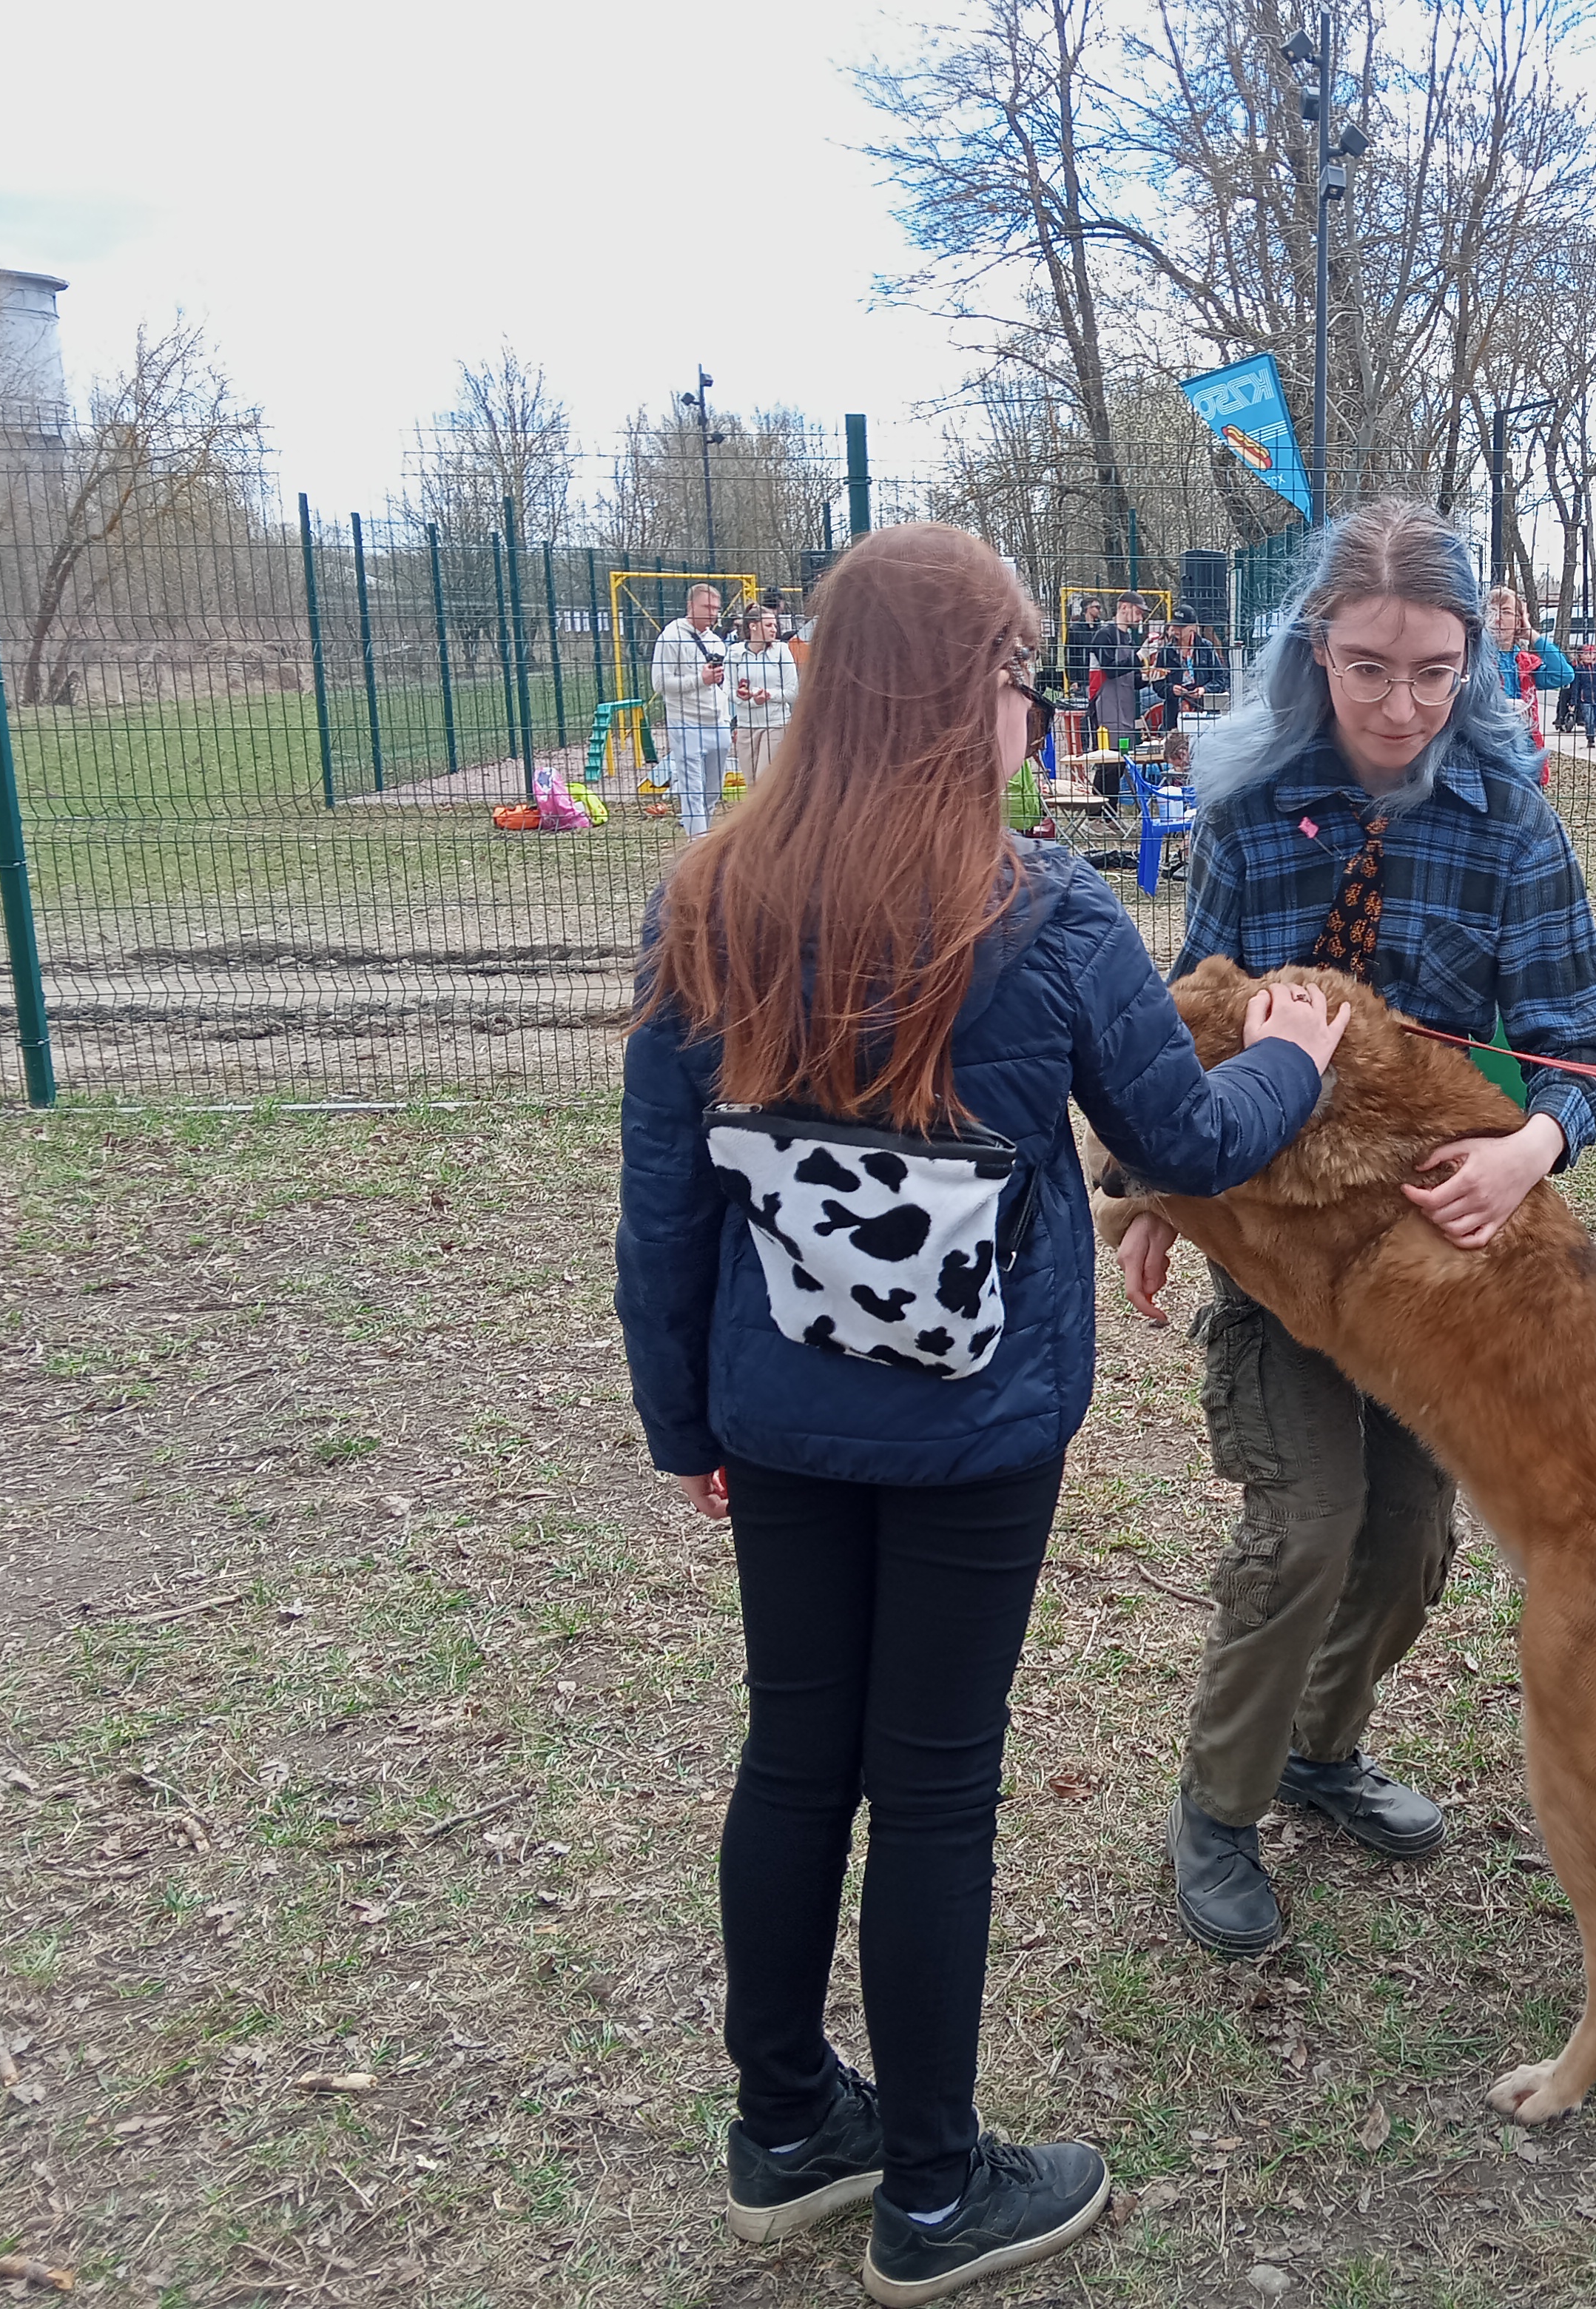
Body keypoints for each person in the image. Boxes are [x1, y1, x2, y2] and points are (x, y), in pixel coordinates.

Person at [618, 525, 1350, 2302]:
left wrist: (681, 1420)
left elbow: (664, 1205)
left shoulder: (707, 896)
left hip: (780, 1409)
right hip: (970, 1425)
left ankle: (788, 2118)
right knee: (931, 1779)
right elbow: (1184, 1141)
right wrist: (1295, 1053)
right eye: (1020, 669)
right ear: (971, 692)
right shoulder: (1049, 915)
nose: (1036, 697)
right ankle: (935, 2189)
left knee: (799, 1748)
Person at [1119, 500, 1596, 1958]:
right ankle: (1216, 1806)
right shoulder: (1246, 814)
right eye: (1368, 669)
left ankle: (1318, 1751)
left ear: (1474, 661)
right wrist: (1155, 1185)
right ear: (1313, 656)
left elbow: (1582, 1040)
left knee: (1406, 1537)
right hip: (1284, 1254)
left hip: (1435, 1265)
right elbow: (1188, 1024)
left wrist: (1529, 1150)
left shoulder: (1507, 819)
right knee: (1310, 1523)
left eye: (1435, 670)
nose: (1404, 705)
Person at [652, 584, 735, 836]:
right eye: (707, 607)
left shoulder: (717, 641)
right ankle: (696, 845)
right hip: (685, 720)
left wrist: (723, 692)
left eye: (716, 608)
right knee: (692, 789)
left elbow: (725, 683)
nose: (713, 613)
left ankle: (702, 836)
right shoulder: (671, 636)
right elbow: (660, 683)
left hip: (717, 720)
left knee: (713, 789)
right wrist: (700, 680)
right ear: (691, 606)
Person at [1484, 589, 1573, 758]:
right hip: (1488, 750)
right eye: (1491, 611)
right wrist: (1502, 705)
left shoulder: (1525, 664)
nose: (1497, 619)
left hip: (1524, 751)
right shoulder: (1474, 660)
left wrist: (1532, 634)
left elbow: (1564, 674)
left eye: (1506, 612)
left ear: (1520, 621)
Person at [727, 602, 800, 796]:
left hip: (775, 724)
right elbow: (728, 690)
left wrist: (768, 695)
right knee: (751, 783)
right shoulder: (735, 653)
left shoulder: (782, 651)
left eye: (775, 625)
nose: (774, 629)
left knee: (764, 780)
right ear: (753, 626)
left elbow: (793, 691)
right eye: (769, 625)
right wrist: (750, 700)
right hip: (746, 725)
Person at [1089, 594, 1148, 748]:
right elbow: (1109, 670)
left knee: (1123, 759)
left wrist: (1148, 678)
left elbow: (1132, 680)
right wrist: (1140, 657)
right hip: (1104, 707)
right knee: (1108, 761)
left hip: (1125, 710)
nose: (1140, 618)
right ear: (1123, 608)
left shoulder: (1129, 639)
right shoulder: (1104, 635)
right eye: (1138, 612)